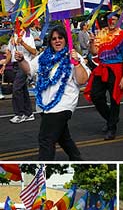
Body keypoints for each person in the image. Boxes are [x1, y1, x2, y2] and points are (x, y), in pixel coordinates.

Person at [15, 24, 87, 160]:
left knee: (46, 139)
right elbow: (30, 70)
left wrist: (77, 63)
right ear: (50, 41)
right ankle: (77, 160)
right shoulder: (44, 56)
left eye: (60, 37)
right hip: (44, 106)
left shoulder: (73, 56)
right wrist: (21, 60)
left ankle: (44, 168)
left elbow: (82, 80)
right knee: (63, 138)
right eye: (54, 39)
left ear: (66, 39)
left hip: (62, 105)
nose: (57, 41)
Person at [84, 12, 123, 140]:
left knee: (114, 99)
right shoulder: (101, 33)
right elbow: (95, 52)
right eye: (110, 19)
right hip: (102, 67)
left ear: (118, 21)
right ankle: (111, 118)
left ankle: (112, 128)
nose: (111, 21)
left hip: (116, 69)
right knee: (95, 95)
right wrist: (92, 43)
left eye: (114, 19)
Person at [1, 22, 37, 123]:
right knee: (23, 90)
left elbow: (34, 51)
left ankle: (19, 114)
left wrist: (23, 43)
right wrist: (4, 65)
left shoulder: (28, 36)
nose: (16, 25)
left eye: (18, 23)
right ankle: (29, 113)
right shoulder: (14, 36)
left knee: (16, 89)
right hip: (15, 66)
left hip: (24, 65)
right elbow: (9, 53)